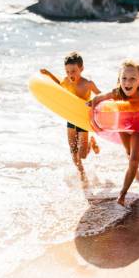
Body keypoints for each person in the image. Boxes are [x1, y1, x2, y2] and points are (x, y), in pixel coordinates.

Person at [88, 59, 139, 206]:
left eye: (132, 79)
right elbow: (98, 98)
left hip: (138, 129)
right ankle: (137, 175)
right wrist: (93, 118)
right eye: (124, 78)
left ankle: (122, 194)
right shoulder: (117, 93)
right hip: (123, 127)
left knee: (134, 160)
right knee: (129, 154)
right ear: (119, 79)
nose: (127, 83)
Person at [40, 52, 101, 182]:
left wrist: (96, 103)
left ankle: (91, 142)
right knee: (73, 150)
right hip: (71, 117)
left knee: (82, 154)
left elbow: (100, 95)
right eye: (67, 71)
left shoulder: (88, 84)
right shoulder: (66, 81)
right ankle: (82, 174)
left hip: (83, 118)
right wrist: (48, 74)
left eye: (73, 71)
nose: (70, 74)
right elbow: (57, 85)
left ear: (81, 69)